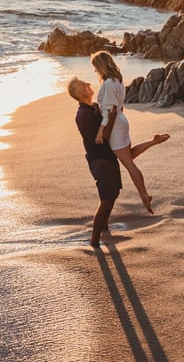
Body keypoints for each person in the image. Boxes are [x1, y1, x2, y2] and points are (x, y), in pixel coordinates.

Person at [91, 51, 169, 214]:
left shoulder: (108, 83)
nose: (95, 71)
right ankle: (153, 141)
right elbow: (118, 107)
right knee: (129, 156)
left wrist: (101, 130)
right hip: (121, 120)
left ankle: (144, 195)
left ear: (101, 66)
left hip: (115, 124)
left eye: (95, 68)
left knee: (129, 164)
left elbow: (110, 111)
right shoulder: (118, 80)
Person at [68, 77, 122, 247]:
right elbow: (102, 138)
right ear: (78, 93)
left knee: (113, 193)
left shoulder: (93, 108)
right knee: (106, 199)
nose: (88, 84)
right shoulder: (83, 115)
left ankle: (104, 227)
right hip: (100, 160)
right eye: (83, 84)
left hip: (107, 157)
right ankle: (94, 241)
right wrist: (112, 118)